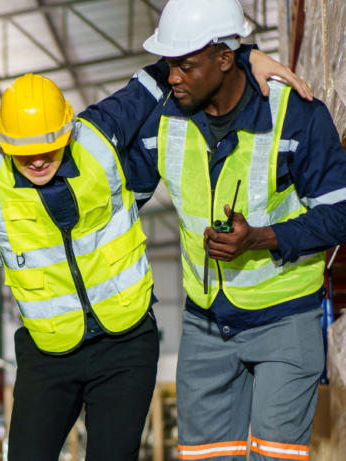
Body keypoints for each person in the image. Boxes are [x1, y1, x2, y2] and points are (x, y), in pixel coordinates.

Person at [0, 53, 307, 460]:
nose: (38, 161)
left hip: (126, 342)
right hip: (49, 352)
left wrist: (244, 58)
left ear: (67, 128)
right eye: (24, 153)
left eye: (47, 148)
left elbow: (165, 75)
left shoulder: (100, 132)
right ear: (2, 142)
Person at [125, 0, 346, 459]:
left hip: (286, 319)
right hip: (205, 326)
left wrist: (262, 237)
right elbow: (113, 191)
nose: (173, 77)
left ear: (225, 59)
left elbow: (340, 213)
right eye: (169, 65)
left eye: (185, 65)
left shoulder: (297, 115)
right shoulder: (162, 118)